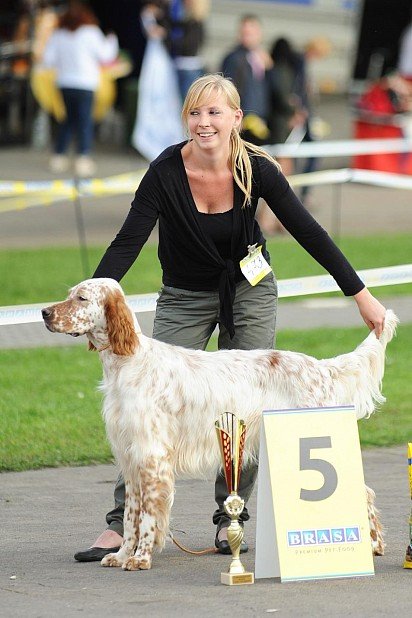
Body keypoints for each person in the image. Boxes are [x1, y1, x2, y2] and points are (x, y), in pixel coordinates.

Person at [73, 73, 386, 562]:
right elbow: (126, 242)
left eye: (215, 112)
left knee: (248, 406)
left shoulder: (258, 166)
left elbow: (307, 230)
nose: (204, 123)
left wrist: (360, 295)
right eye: (195, 113)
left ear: (236, 118)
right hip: (184, 292)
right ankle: (123, 526)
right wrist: (92, 300)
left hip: (250, 289)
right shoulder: (165, 172)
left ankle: (231, 522)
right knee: (145, 401)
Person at [42, 0, 118, 177]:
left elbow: (48, 59)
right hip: (85, 83)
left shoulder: (58, 34)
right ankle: (82, 158)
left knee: (68, 120)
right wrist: (112, 40)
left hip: (64, 83)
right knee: (84, 121)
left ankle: (58, 156)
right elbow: (106, 55)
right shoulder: (91, 33)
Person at [221, 14, 272, 146]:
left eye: (251, 33)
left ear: (259, 34)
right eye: (244, 33)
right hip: (243, 121)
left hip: (260, 118)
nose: (246, 36)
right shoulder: (234, 58)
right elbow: (228, 89)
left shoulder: (262, 57)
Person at [168, 0, 210, 101]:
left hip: (189, 68)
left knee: (187, 103)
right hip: (184, 66)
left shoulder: (195, 24)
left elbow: (188, 46)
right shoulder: (186, 22)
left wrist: (169, 41)